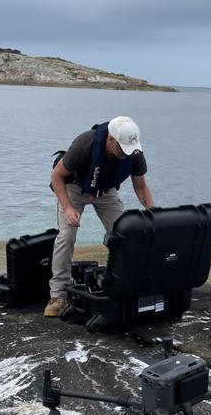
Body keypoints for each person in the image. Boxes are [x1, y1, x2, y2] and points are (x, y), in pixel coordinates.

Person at [44, 116, 155, 317]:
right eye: (121, 148)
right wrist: (68, 208)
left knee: (125, 236)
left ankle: (125, 284)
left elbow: (141, 186)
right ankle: (58, 294)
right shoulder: (84, 144)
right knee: (66, 235)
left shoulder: (133, 151)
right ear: (110, 139)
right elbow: (56, 176)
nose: (125, 153)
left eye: (128, 150)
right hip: (74, 187)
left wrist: (153, 213)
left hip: (106, 191)